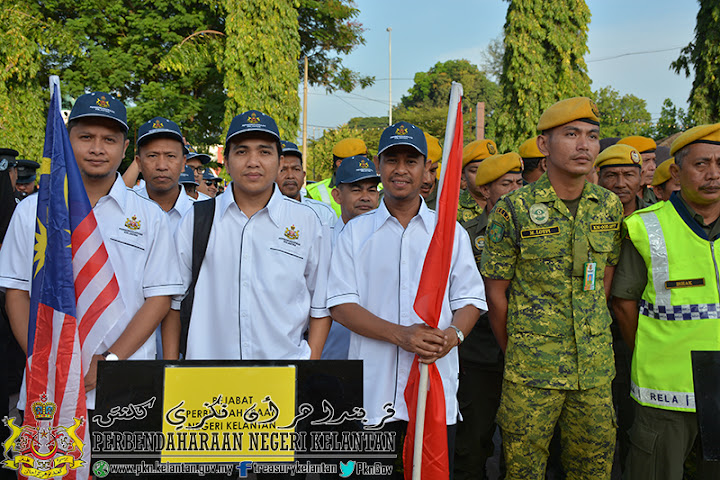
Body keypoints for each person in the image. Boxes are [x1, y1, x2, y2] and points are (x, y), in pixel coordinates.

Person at [0, 92, 183, 411]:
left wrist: (110, 361)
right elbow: (16, 292)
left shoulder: (150, 217)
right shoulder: (33, 212)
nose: (97, 148)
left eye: (109, 139)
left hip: (127, 391)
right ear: (67, 138)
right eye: (86, 137)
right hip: (49, 390)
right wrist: (46, 358)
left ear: (125, 148)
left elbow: (159, 298)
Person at [328, 121, 486, 477]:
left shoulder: (449, 233)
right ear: (379, 166)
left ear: (425, 169)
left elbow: (471, 300)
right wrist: (403, 336)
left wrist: (453, 336)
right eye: (392, 160)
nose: (401, 170)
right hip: (370, 398)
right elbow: (340, 305)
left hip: (433, 394)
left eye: (411, 161)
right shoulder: (355, 233)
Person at [480, 97, 623, 479]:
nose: (584, 145)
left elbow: (604, 278)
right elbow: (496, 293)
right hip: (531, 373)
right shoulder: (514, 209)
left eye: (592, 136)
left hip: (592, 371)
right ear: (544, 146)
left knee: (592, 470)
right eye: (571, 134)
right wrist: (519, 349)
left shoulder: (608, 206)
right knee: (523, 471)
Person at [173, 110, 331, 361]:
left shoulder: (307, 222)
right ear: (226, 160)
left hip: (283, 376)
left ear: (279, 162)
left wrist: (308, 370)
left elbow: (320, 306)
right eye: (242, 151)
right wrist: (172, 371)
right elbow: (173, 302)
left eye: (264, 152)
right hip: (208, 377)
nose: (253, 161)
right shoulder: (197, 219)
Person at [611, 123, 720, 480]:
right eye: (702, 164)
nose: (713, 174)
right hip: (666, 392)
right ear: (676, 171)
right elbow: (624, 306)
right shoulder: (646, 227)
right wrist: (650, 351)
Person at [455, 152, 523, 480]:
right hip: (480, 348)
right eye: (505, 184)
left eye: (519, 183)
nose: (514, 190)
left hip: (526, 347)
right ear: (485, 192)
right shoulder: (465, 235)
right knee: (473, 439)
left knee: (521, 441)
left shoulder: (537, 230)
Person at [133, 116, 195, 360]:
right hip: (130, 344)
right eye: (152, 156)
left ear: (183, 163)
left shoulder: (203, 215)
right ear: (138, 161)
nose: (161, 165)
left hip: (187, 343)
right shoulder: (121, 211)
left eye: (170, 156)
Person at [321, 154, 380, 361]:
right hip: (331, 356)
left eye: (371, 190)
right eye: (356, 189)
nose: (365, 197)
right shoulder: (321, 242)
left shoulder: (389, 242)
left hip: (379, 359)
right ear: (337, 196)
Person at [278, 140, 337, 226]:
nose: (290, 176)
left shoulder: (324, 213)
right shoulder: (258, 213)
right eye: (282, 170)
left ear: (303, 175)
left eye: (296, 169)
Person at [306, 138, 369, 216]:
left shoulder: (380, 188)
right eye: (357, 162)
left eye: (366, 161)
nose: (363, 166)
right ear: (340, 163)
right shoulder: (315, 192)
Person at [596, 144, 647, 216]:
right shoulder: (585, 215)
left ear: (641, 177)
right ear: (599, 178)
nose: (620, 184)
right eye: (611, 176)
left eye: (629, 175)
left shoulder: (653, 215)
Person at [458, 138, 498, 222]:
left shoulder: (505, 203)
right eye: (475, 171)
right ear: (463, 174)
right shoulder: (453, 208)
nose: (482, 176)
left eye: (489, 170)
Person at [618, 135, 658, 205]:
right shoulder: (615, 196)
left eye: (654, 160)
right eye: (646, 160)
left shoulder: (657, 195)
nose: (653, 167)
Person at [420, 132, 441, 209]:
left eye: (432, 171)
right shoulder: (383, 200)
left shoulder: (455, 199)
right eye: (421, 171)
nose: (428, 180)